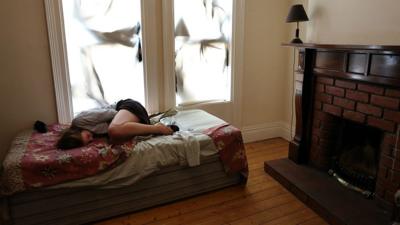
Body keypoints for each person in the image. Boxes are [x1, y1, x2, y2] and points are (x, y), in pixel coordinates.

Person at [56, 99, 173, 150]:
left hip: (127, 107)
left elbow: (112, 113)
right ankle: (151, 128)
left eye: (87, 137)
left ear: (74, 133)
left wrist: (115, 126)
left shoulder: (79, 121)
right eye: (89, 141)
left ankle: (157, 128)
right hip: (135, 121)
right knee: (114, 140)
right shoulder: (92, 134)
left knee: (114, 130)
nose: (91, 139)